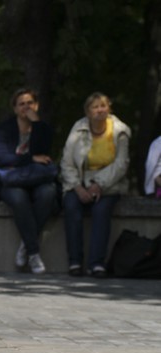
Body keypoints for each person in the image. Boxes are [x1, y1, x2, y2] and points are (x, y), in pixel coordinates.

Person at [60, 92, 132, 277]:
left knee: (101, 211)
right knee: (71, 206)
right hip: (79, 181)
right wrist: (77, 187)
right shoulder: (78, 129)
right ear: (87, 111)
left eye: (103, 106)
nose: (100, 110)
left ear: (109, 108)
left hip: (110, 183)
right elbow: (67, 162)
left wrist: (98, 185)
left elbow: (121, 164)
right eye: (95, 107)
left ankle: (97, 263)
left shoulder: (119, 131)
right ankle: (75, 262)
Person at [0, 88, 58, 274]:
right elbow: (2, 157)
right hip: (12, 181)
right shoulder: (5, 129)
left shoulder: (42, 127)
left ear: (36, 105)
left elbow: (44, 152)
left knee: (49, 193)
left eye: (30, 103)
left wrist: (36, 123)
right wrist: (30, 159)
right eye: (21, 103)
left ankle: (26, 245)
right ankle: (34, 253)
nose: (26, 107)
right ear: (14, 108)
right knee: (19, 199)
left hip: (36, 179)